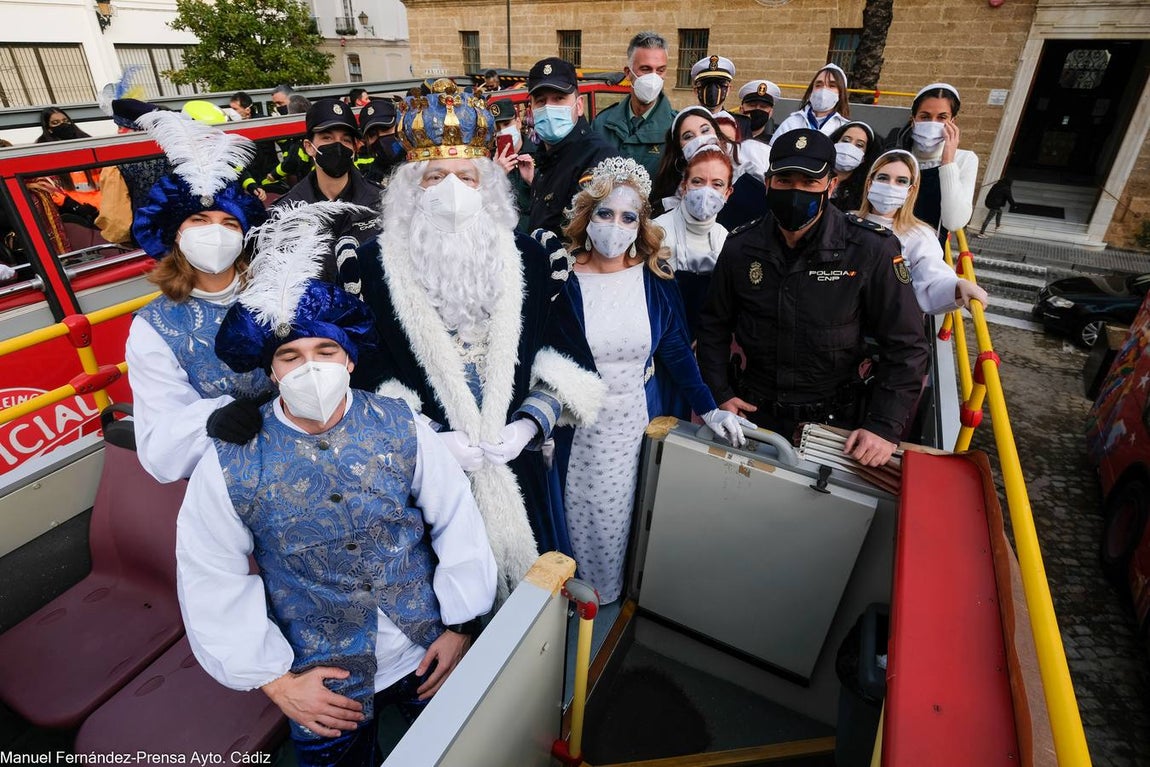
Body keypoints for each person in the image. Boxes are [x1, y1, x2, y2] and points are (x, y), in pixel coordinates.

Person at [180, 202, 496, 764]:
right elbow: (210, 573)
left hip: (429, 646)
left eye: (326, 351)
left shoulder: (404, 425)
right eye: (291, 356)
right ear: (272, 370)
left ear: (349, 360)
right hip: (323, 682)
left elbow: (456, 520)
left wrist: (461, 625)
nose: (310, 367)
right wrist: (276, 681)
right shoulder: (229, 461)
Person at [353, 79, 605, 598]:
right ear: (409, 188)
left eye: (466, 176)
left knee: (530, 608)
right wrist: (424, 439)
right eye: (436, 176)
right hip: (423, 476)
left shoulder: (533, 259)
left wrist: (527, 427)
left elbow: (568, 360)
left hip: (517, 467)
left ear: (487, 184)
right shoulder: (371, 270)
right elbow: (365, 370)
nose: (451, 189)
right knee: (445, 607)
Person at [551, 157, 747, 603]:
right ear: (587, 216)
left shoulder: (655, 276)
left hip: (629, 422)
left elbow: (676, 350)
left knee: (617, 517)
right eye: (605, 213)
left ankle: (604, 598)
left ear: (641, 225)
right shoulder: (559, 277)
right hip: (570, 426)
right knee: (569, 513)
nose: (614, 226)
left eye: (627, 217)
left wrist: (711, 406)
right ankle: (566, 598)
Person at [696, 129, 929, 467]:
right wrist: (720, 393)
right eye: (785, 180)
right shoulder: (741, 247)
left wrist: (882, 424)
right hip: (754, 414)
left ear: (831, 186)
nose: (795, 191)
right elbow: (713, 326)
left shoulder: (870, 250)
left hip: (834, 425)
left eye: (809, 183)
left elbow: (907, 345)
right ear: (767, 182)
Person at [124, 108, 274, 483]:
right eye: (200, 221)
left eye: (229, 223)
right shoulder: (154, 328)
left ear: (243, 236)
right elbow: (160, 445)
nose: (216, 233)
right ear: (177, 233)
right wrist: (211, 419)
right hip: (230, 469)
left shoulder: (276, 292)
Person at [858, 149, 989, 315]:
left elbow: (932, 274)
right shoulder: (844, 221)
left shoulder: (920, 235)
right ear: (870, 183)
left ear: (910, 190)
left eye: (901, 181)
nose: (890, 186)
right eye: (883, 178)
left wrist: (957, 286)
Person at [275, 98, 381, 292]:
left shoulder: (382, 202)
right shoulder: (285, 213)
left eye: (346, 140)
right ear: (308, 147)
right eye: (327, 138)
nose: (337, 146)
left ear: (355, 148)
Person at [523, 57, 618, 238]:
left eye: (559, 99)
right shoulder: (546, 158)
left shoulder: (598, 158)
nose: (549, 108)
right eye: (541, 101)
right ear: (531, 111)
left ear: (579, 105)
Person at [654, 146, 733, 338]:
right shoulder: (656, 232)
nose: (706, 191)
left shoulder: (726, 240)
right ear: (684, 186)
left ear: (728, 193)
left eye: (717, 184)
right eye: (698, 182)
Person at [883, 83, 977, 240]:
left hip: (927, 254)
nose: (933, 123)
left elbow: (954, 222)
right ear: (913, 119)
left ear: (953, 121)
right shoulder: (897, 154)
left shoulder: (965, 160)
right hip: (886, 245)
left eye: (942, 117)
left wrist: (948, 162)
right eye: (925, 117)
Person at [591, 31, 676, 179]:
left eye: (660, 70)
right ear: (628, 73)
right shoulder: (602, 124)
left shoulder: (677, 129)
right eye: (646, 69)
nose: (654, 77)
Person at [770, 64, 851, 145]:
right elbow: (772, 151)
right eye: (819, 85)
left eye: (832, 85)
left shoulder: (844, 129)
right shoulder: (791, 123)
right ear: (811, 91)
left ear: (841, 93)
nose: (824, 90)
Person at [828, 120, 880, 213]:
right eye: (846, 140)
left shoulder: (865, 192)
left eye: (859, 145)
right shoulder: (815, 174)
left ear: (864, 157)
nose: (850, 147)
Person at [355, 97, 404, 186]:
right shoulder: (371, 179)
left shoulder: (422, 162)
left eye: (385, 129)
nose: (381, 138)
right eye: (372, 134)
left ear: (399, 126)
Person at [738, 79, 781, 144]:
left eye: (763, 107)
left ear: (770, 113)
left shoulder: (774, 143)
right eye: (752, 105)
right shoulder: (727, 136)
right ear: (741, 109)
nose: (757, 109)